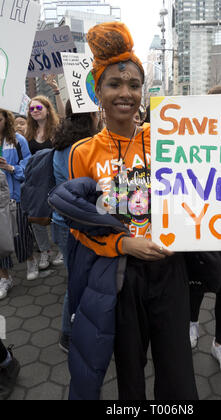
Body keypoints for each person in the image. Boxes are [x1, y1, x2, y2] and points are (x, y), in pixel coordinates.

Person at [65, 22, 198, 400]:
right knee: (131, 378)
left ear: (143, 90)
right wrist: (125, 245)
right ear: (98, 91)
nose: (126, 93)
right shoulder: (83, 153)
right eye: (114, 84)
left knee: (178, 374)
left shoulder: (167, 137)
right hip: (119, 278)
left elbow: (209, 194)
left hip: (171, 270)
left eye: (134, 85)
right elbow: (80, 225)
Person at [188, 85, 221, 380]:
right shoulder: (190, 140)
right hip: (197, 224)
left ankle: (220, 344)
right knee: (195, 280)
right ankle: (191, 323)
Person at [51, 100, 100, 353]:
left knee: (77, 279)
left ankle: (75, 330)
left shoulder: (61, 143)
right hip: (78, 225)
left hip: (61, 222)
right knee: (78, 282)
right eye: (97, 112)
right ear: (91, 115)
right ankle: (68, 335)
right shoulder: (84, 148)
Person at [0, 109, 36, 297]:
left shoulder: (17, 141)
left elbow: (27, 166)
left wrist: (10, 167)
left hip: (15, 196)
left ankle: (30, 259)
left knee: (20, 233)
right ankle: (4, 277)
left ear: (6, 120)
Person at [26, 95, 60, 270]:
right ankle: (45, 252)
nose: (35, 111)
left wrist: (56, 93)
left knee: (57, 216)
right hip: (37, 183)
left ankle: (61, 248)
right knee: (36, 219)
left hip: (55, 180)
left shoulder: (57, 130)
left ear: (47, 109)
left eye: (39, 108)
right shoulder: (28, 134)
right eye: (32, 109)